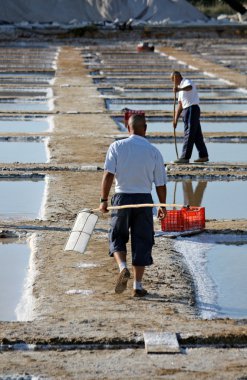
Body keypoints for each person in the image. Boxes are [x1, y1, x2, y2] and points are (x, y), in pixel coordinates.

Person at [99, 114, 167, 297]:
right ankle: (137, 285)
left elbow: (108, 175)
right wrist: (162, 206)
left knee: (117, 236)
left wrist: (103, 201)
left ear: (128, 128)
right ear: (145, 128)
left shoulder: (117, 146)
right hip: (144, 201)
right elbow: (160, 183)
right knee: (142, 241)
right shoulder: (154, 151)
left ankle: (122, 267)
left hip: (122, 198)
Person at [171, 71, 209, 164]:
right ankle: (203, 155)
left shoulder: (187, 82)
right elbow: (180, 105)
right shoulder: (180, 88)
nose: (173, 82)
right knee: (196, 134)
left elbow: (189, 88)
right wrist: (175, 119)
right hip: (186, 110)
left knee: (189, 133)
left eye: (173, 79)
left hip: (192, 108)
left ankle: (185, 157)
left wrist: (179, 90)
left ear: (178, 77)